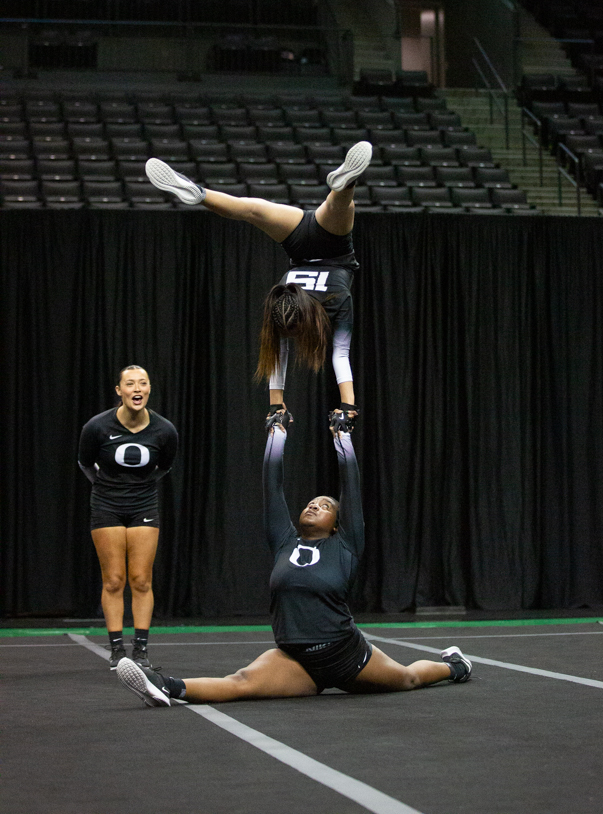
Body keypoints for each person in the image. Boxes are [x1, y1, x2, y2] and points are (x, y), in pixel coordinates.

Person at [116, 411, 471, 706]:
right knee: (240, 682)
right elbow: (272, 487)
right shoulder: (284, 541)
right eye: (311, 502)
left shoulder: (346, 546)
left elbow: (352, 487)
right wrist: (277, 435)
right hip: (296, 658)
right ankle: (163, 685)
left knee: (407, 678)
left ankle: (455, 666)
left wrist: (342, 438)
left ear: (338, 523)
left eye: (326, 504)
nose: (315, 504)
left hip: (346, 656)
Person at [144, 142, 373, 422]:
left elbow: (335, 353)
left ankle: (345, 184)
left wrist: (281, 405)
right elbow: (327, 354)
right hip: (299, 245)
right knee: (258, 210)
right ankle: (343, 183)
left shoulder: (333, 301)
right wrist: (339, 405)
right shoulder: (282, 298)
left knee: (256, 209)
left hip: (330, 249)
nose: (292, 338)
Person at [78, 365, 178, 670]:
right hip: (106, 505)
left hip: (144, 505)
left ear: (149, 389)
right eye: (130, 384)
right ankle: (117, 649)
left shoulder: (164, 430)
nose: (138, 388)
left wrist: (138, 488)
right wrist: (109, 488)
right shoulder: (96, 427)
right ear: (119, 391)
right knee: (114, 580)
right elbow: (85, 463)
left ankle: (141, 651)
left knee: (140, 579)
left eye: (143, 383)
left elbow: (165, 467)